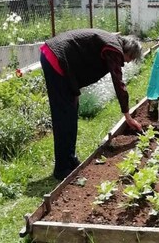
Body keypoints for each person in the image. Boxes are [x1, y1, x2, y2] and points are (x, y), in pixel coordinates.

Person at [40, 29, 143, 180]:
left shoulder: (112, 43)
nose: (126, 62)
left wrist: (74, 90)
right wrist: (127, 115)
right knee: (63, 116)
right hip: (56, 58)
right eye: (130, 59)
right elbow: (118, 82)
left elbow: (81, 60)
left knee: (70, 112)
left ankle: (70, 158)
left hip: (62, 61)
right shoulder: (114, 48)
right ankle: (62, 169)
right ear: (128, 51)